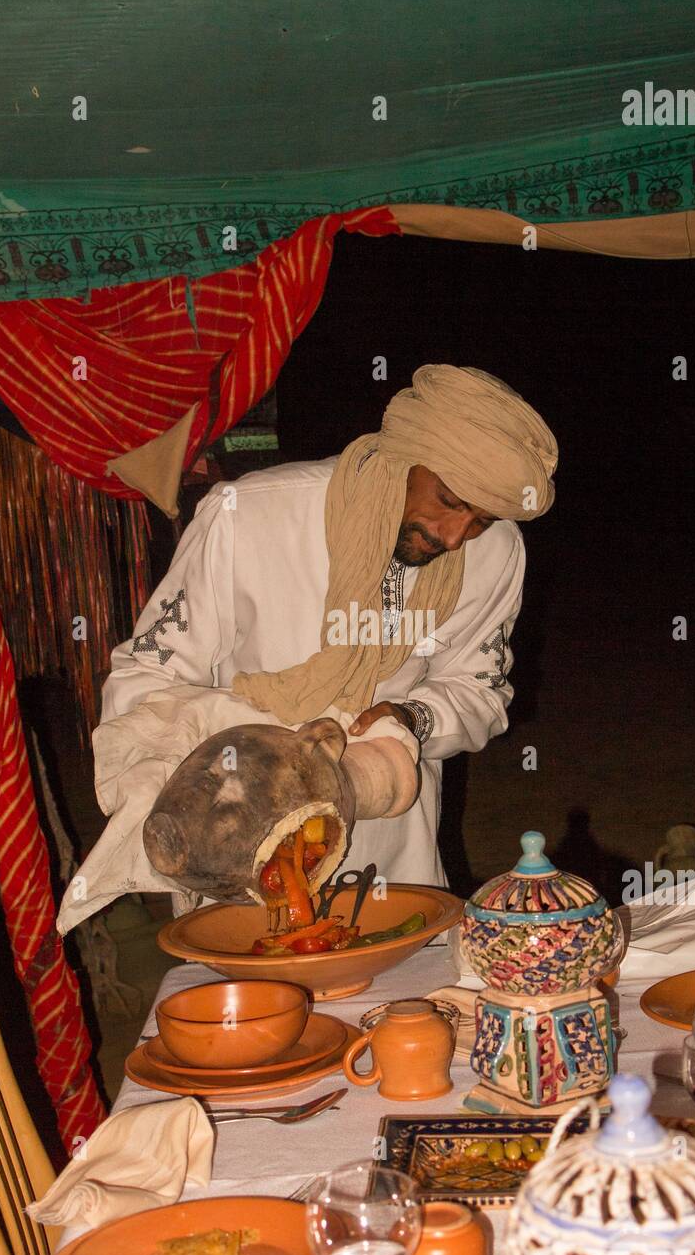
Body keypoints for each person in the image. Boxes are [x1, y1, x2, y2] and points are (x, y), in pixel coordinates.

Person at [100, 363, 558, 888]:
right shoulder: (250, 516)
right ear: (402, 458)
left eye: (481, 519)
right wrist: (259, 759)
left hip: (390, 837)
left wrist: (413, 720)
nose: (454, 537)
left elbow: (480, 689)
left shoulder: (495, 553)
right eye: (449, 502)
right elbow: (146, 678)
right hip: (234, 844)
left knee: (404, 963)